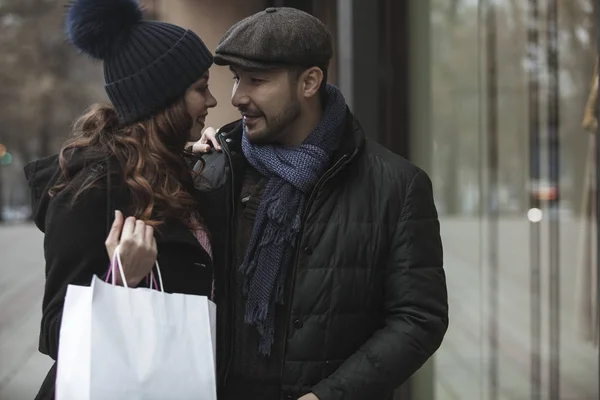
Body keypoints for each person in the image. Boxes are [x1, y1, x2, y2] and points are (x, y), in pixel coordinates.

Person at [112, 6, 448, 400]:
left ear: (309, 82)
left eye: (257, 80)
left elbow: (418, 319)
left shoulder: (397, 186)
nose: (237, 97)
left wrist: (328, 396)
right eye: (237, 79)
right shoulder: (217, 167)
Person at [24, 0, 217, 399]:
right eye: (201, 88)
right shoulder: (92, 189)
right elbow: (56, 332)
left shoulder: (168, 170)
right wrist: (122, 281)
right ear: (163, 97)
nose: (212, 102)